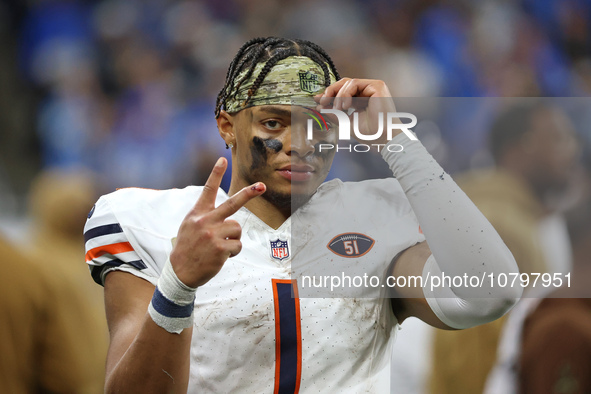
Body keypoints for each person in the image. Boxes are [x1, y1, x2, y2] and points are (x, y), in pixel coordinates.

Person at [84, 37, 521, 393]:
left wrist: (397, 141)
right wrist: (177, 285)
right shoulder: (149, 220)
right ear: (226, 127)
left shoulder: (375, 218)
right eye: (274, 123)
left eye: (318, 126)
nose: (299, 144)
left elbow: (489, 293)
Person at [429, 102, 579, 394]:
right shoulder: (498, 225)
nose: (571, 150)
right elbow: (468, 353)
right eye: (559, 138)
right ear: (520, 149)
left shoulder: (516, 217)